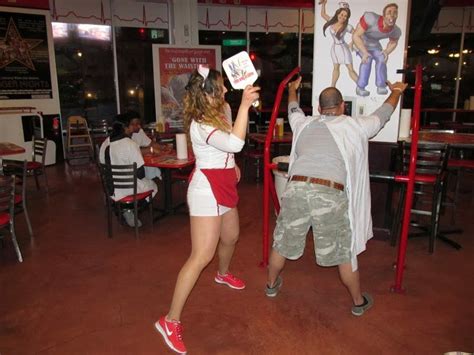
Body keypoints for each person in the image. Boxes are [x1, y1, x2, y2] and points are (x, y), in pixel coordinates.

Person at [266, 76, 407, 317]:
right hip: (329, 191)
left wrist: (291, 89)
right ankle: (358, 301)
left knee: (283, 241)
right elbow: (383, 114)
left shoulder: (304, 123)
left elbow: (293, 108)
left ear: (320, 109)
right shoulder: (355, 125)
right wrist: (395, 91)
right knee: (344, 251)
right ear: (342, 106)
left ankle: (270, 286)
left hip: (296, 189)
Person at [154, 65, 260, 354]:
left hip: (224, 181)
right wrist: (246, 105)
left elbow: (228, 145)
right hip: (206, 189)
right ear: (209, 93)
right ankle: (169, 320)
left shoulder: (219, 110)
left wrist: (232, 163)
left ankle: (222, 273)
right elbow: (236, 142)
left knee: (232, 236)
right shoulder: (201, 123)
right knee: (201, 255)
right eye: (221, 86)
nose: (226, 90)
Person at [99, 114, 158, 228]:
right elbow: (140, 173)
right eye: (131, 125)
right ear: (125, 127)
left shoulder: (105, 143)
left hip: (111, 188)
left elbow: (103, 166)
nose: (133, 128)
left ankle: (123, 207)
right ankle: (129, 208)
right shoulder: (130, 144)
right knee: (154, 186)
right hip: (131, 188)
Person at [352, 3, 401, 96]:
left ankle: (381, 85)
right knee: (367, 59)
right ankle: (360, 87)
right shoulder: (371, 18)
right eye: (389, 12)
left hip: (375, 45)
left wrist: (387, 51)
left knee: (382, 58)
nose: (392, 15)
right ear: (384, 15)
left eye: (395, 13)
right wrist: (365, 52)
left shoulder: (396, 30)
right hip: (362, 43)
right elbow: (356, 35)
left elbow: (393, 42)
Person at [320, 0, 358, 86]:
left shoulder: (347, 26)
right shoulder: (331, 21)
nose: (343, 17)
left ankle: (361, 86)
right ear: (337, 14)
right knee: (336, 68)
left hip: (343, 48)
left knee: (350, 69)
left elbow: (357, 34)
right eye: (342, 15)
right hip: (335, 48)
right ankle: (332, 86)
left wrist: (352, 43)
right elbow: (322, 14)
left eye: (345, 16)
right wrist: (323, 4)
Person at [124, 111, 162, 180]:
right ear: (128, 125)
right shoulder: (124, 138)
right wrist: (151, 150)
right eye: (135, 124)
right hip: (130, 170)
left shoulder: (139, 131)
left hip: (137, 166)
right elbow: (133, 152)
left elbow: (151, 143)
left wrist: (163, 147)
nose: (139, 126)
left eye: (139, 123)